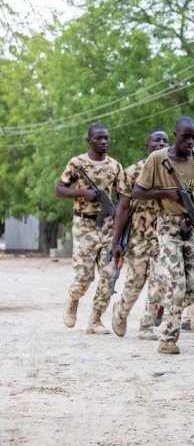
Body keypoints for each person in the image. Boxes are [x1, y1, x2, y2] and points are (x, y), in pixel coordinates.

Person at [132, 117, 194, 354]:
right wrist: (168, 194)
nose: (190, 141)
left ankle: (168, 310)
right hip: (168, 225)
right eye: (185, 136)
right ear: (175, 135)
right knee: (177, 283)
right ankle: (168, 338)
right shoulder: (158, 159)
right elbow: (138, 191)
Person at [56, 124, 125, 334]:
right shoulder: (77, 163)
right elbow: (59, 189)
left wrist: (119, 231)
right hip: (84, 225)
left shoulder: (115, 166)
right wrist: (82, 194)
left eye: (106, 138)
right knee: (84, 277)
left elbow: (122, 199)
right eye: (98, 138)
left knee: (109, 274)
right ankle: (73, 299)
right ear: (89, 141)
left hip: (107, 226)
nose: (103, 142)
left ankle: (95, 320)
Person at [109, 129, 170, 340]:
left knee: (161, 280)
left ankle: (147, 326)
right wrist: (116, 242)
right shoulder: (132, 172)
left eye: (165, 140)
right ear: (147, 146)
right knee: (135, 283)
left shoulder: (174, 171)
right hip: (139, 238)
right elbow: (123, 208)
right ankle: (121, 312)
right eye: (156, 140)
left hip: (165, 236)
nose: (161, 143)